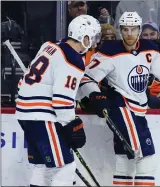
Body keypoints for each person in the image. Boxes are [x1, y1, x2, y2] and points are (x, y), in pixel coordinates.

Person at [79, 11, 160, 186]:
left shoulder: (149, 49)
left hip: (138, 110)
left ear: (139, 29)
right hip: (121, 107)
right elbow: (86, 78)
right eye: (125, 29)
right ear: (120, 30)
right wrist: (95, 95)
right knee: (145, 156)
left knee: (125, 160)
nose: (129, 34)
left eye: (133, 29)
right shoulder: (109, 51)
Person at [15, 15, 101, 186]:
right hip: (43, 117)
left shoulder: (50, 46)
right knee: (65, 168)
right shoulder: (72, 59)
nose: (95, 43)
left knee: (43, 167)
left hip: (25, 113)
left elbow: (21, 84)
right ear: (83, 37)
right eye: (93, 38)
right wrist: (70, 124)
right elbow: (62, 100)